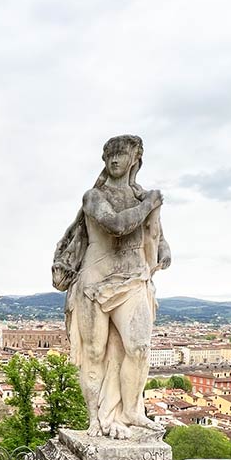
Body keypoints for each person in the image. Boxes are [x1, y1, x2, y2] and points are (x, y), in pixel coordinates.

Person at [52, 135, 171, 439]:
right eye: (109, 155)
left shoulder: (145, 198)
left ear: (135, 159)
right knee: (94, 352)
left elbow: (157, 238)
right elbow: (118, 226)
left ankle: (130, 410)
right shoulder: (94, 197)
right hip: (94, 282)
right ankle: (95, 418)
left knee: (139, 348)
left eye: (121, 154)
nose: (114, 160)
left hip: (132, 280)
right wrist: (149, 205)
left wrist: (164, 250)